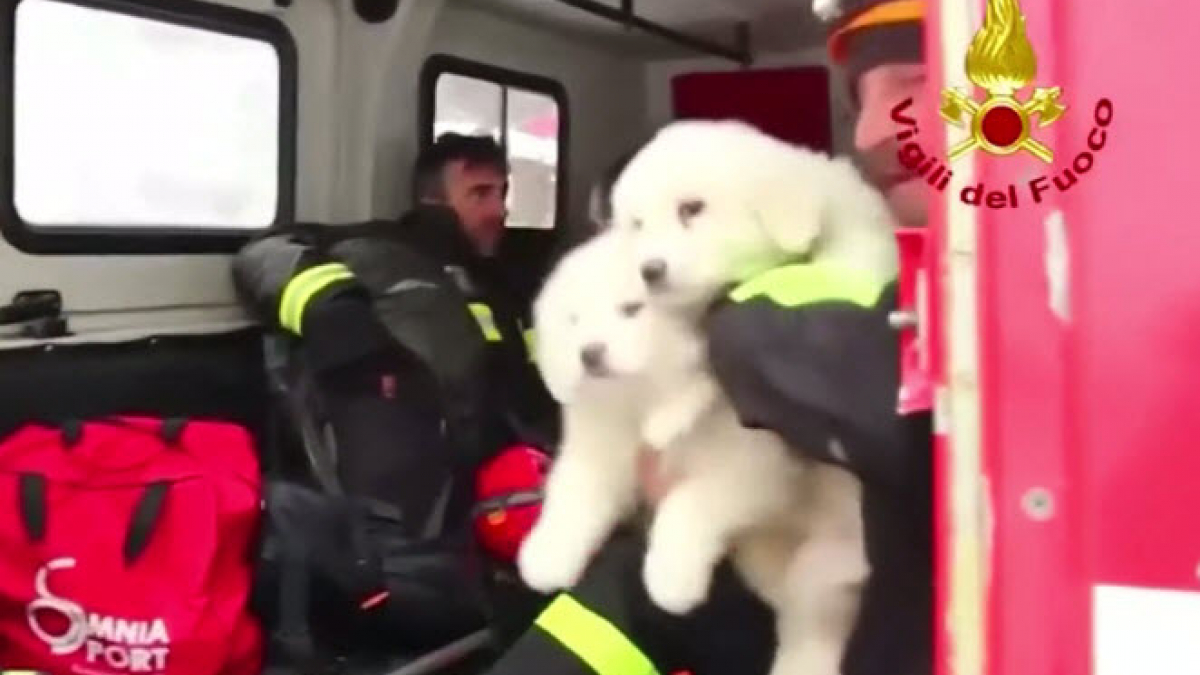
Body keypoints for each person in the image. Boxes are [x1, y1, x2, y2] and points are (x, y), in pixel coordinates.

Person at [481, 1, 934, 674]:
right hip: (747, 570)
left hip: (853, 593)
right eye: (860, 101)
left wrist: (740, 339)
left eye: (913, 83)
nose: (868, 131)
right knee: (631, 587)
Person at [233, 133, 558, 666]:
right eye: (480, 193)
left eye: (503, 193)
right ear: (433, 200)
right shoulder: (377, 251)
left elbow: (532, 393)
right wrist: (328, 306)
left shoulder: (500, 286)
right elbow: (263, 252)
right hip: (405, 539)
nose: (499, 210)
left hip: (499, 503)